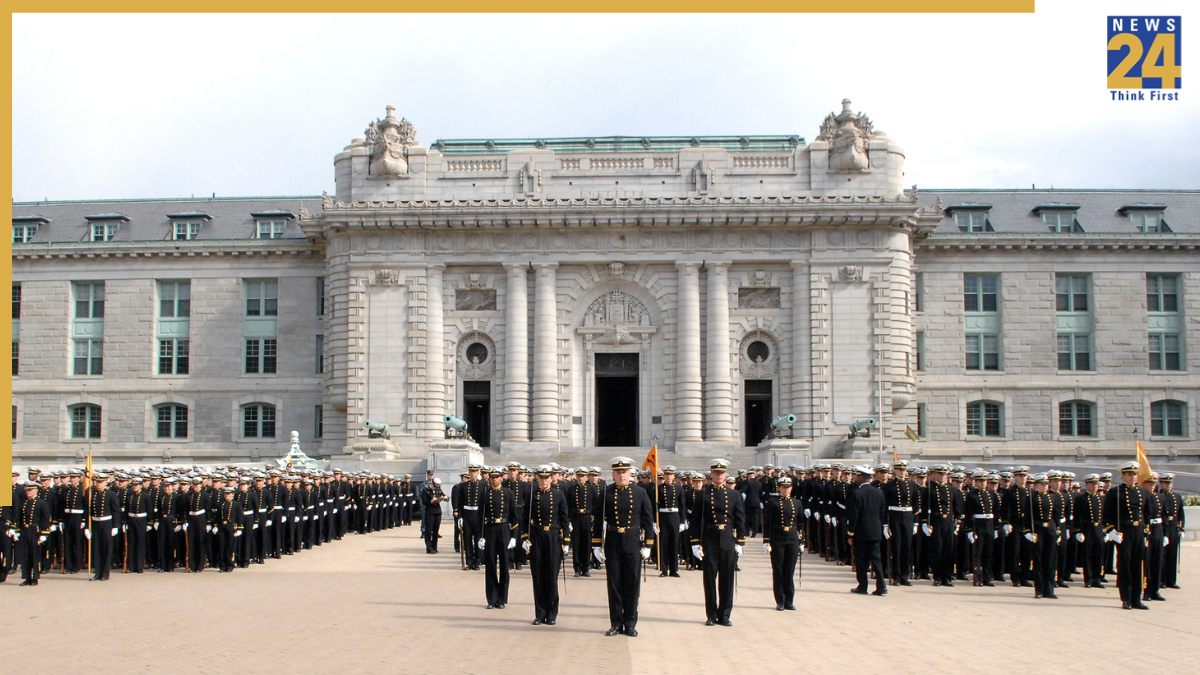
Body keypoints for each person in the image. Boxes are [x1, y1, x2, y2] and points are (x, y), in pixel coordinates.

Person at [592, 457, 655, 637]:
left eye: (624, 472)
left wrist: (648, 544)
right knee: (614, 584)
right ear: (613, 474)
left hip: (632, 541)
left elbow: (648, 519)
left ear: (630, 474)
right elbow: (598, 520)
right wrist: (596, 545)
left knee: (632, 584)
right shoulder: (606, 492)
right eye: (618, 472)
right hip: (613, 541)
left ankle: (630, 623)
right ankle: (616, 623)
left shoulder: (640, 493)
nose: (621, 475)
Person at [688, 459, 746, 627]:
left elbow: (740, 519)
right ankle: (711, 614)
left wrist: (740, 541)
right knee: (709, 579)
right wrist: (695, 542)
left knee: (727, 579)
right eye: (716, 473)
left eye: (722, 473)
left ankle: (725, 614)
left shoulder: (734, 495)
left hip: (727, 537)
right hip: (710, 538)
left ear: (726, 475)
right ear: (711, 474)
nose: (719, 475)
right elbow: (696, 520)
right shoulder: (703, 494)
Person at [523, 465, 568, 626]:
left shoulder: (559, 495)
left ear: (551, 479)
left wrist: (566, 541)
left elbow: (564, 519)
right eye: (541, 478)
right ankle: (540, 613)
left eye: (546, 478)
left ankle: (552, 613)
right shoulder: (531, 495)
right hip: (537, 536)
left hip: (553, 537)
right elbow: (525, 518)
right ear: (537, 479)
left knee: (551, 576)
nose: (543, 481)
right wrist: (525, 537)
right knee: (538, 576)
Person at [478, 468, 518, 609]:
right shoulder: (485, 493)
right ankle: (491, 598)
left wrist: (514, 536)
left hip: (504, 529)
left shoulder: (508, 494)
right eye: (492, 477)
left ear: (502, 478)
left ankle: (502, 598)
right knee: (490, 564)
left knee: (504, 565)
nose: (494, 480)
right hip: (490, 529)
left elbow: (514, 517)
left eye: (497, 477)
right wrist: (480, 536)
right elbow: (480, 517)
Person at [762, 475, 801, 610]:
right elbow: (767, 523)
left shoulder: (797, 503)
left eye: (788, 487)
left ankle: (789, 600)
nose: (786, 490)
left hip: (792, 539)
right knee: (778, 570)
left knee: (789, 570)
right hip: (778, 539)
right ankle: (780, 600)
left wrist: (801, 540)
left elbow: (800, 523)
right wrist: (766, 540)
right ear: (778, 488)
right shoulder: (772, 503)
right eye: (783, 487)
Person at [847, 466, 887, 596]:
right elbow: (882, 513)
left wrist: (850, 533)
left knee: (861, 560)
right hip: (875, 531)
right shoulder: (879, 492)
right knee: (876, 560)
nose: (855, 477)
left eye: (858, 475)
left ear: (862, 477)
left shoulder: (857, 493)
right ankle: (881, 586)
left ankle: (863, 586)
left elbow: (854, 515)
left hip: (861, 532)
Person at [87, 473, 123, 581]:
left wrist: (115, 526)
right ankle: (97, 572)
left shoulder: (111, 494)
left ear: (105, 482)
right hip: (95, 523)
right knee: (96, 548)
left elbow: (116, 511)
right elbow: (88, 511)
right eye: (97, 482)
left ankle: (105, 573)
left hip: (107, 523)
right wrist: (87, 527)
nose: (98, 484)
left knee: (106, 548)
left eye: (100, 482)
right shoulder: (92, 494)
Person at [1028, 474, 1059, 599]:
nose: (1045, 486)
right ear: (1036, 485)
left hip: (1050, 529)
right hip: (1038, 529)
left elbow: (1056, 516)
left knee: (1050, 560)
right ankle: (1039, 590)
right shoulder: (1032, 498)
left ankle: (1049, 590)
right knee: (1039, 560)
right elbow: (1028, 516)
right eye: (1042, 484)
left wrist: (1058, 531)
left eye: (1046, 484)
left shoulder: (1053, 497)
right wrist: (1028, 531)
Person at [1073, 474, 1106, 588]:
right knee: (1087, 554)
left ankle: (1097, 578)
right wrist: (1078, 531)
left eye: (1096, 484)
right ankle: (1088, 578)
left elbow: (1104, 516)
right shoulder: (1081, 499)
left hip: (1098, 528)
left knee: (1098, 553)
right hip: (1087, 528)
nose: (1095, 486)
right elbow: (1077, 516)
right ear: (1086, 485)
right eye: (1092, 484)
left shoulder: (1101, 498)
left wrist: (1106, 530)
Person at [16, 481, 51, 586]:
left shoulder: (41, 503)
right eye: (27, 490)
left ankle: (35, 577)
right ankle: (27, 577)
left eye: (30, 490)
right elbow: (19, 518)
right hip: (25, 530)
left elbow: (45, 519)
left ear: (36, 490)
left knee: (34, 555)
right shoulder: (23, 502)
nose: (28, 492)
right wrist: (17, 530)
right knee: (25, 555)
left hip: (35, 531)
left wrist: (44, 533)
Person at [567, 468, 597, 577]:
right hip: (576, 517)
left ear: (586, 477)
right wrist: (569, 520)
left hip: (587, 517)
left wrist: (594, 518)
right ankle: (577, 568)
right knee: (576, 543)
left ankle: (586, 567)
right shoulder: (571, 489)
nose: (581, 478)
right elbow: (568, 505)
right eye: (579, 476)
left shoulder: (591, 489)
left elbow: (595, 504)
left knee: (586, 543)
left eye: (583, 476)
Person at [655, 467, 685, 578]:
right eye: (666, 475)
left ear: (673, 476)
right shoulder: (658, 488)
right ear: (663, 476)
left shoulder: (679, 488)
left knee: (674, 544)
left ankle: (674, 570)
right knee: (663, 543)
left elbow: (682, 505)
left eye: (670, 475)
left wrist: (682, 521)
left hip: (674, 516)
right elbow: (655, 505)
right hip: (663, 517)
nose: (668, 477)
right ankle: (663, 569)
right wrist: (655, 521)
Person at [1141, 473, 1166, 602]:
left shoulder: (1160, 497)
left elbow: (1164, 516)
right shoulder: (1142, 497)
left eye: (1153, 483)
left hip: (1158, 530)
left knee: (1157, 560)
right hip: (1147, 530)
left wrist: (1165, 534)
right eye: (1149, 483)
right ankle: (1146, 590)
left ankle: (1155, 589)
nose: (1152, 486)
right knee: (1147, 562)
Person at [1159, 473, 1184, 590]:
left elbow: (1180, 514)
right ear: (1161, 483)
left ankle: (1171, 580)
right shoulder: (1158, 496)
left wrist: (1181, 528)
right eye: (1166, 483)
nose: (1168, 485)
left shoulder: (1177, 496)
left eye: (1170, 483)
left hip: (1173, 526)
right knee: (1162, 555)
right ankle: (1161, 580)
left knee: (1172, 554)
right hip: (1163, 526)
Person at [420, 477, 447, 554]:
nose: (436, 488)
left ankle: (434, 547)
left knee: (436, 530)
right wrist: (431, 501)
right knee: (429, 530)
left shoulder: (438, 489)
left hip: (437, 511)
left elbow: (445, 496)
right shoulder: (426, 490)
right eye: (435, 486)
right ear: (432, 483)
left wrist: (445, 498)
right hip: (430, 512)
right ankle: (429, 547)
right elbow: (424, 501)